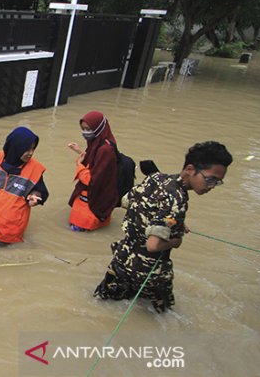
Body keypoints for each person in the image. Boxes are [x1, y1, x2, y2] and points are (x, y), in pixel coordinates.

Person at [94, 141, 233, 312]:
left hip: (122, 258)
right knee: (164, 317)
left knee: (103, 303)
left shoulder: (156, 178)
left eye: (217, 182)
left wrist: (174, 222)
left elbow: (127, 201)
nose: (212, 186)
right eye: (210, 179)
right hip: (149, 271)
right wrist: (175, 240)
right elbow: (153, 245)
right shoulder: (177, 201)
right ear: (190, 170)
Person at [67, 111, 119, 231]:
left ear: (98, 128)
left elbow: (92, 180)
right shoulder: (99, 142)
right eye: (83, 129)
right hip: (96, 198)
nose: (85, 132)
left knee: (78, 230)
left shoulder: (105, 150)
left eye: (88, 129)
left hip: (92, 202)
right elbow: (95, 162)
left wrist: (79, 166)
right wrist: (80, 152)